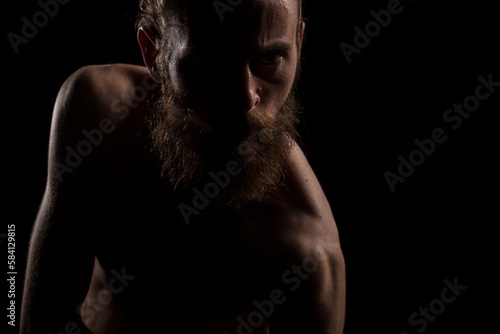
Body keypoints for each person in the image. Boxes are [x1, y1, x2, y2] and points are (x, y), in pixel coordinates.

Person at [21, 0, 346, 333]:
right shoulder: (98, 116)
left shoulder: (308, 256)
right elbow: (42, 322)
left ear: (299, 43)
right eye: (209, 63)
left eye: (269, 58)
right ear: (153, 54)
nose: (246, 97)